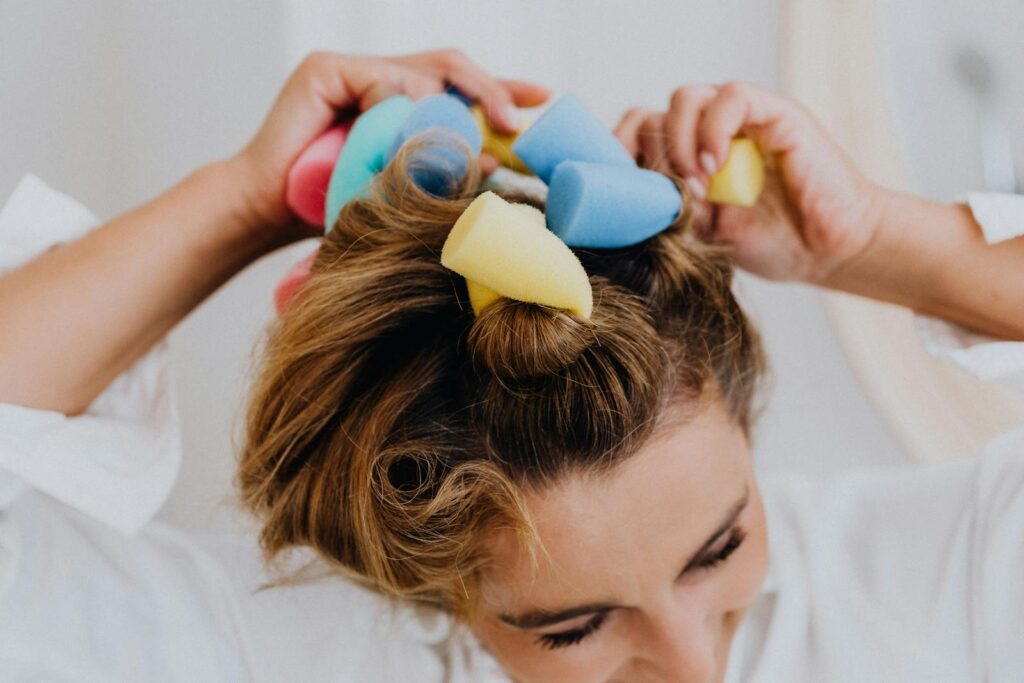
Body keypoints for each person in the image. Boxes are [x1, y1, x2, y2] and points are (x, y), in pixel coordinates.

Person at [0, 49, 1021, 683]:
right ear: (426, 577)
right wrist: (242, 199)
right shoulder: (270, 654)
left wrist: (880, 239)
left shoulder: (935, 587)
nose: (694, 662)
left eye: (718, 547)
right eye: (572, 625)